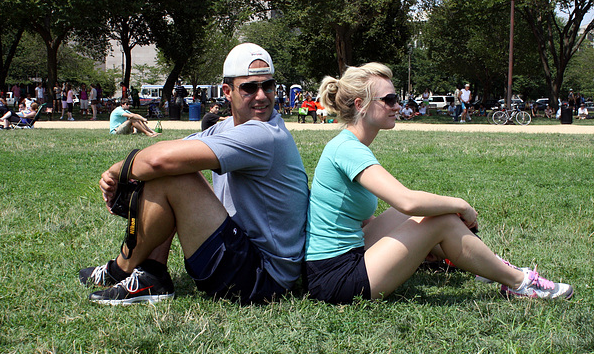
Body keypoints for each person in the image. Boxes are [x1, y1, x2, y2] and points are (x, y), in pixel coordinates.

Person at [304, 62, 573, 305]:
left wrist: (420, 245)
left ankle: (480, 264)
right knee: (439, 220)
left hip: (343, 257)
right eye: (389, 100)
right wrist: (462, 205)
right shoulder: (348, 149)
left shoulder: (347, 144)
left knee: (419, 215)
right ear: (361, 104)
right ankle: (519, 283)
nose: (397, 106)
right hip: (335, 278)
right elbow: (407, 201)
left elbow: (355, 217)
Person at [79, 43, 309, 305]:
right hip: (249, 256)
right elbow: (169, 151)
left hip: (264, 279)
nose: (262, 95)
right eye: (249, 87)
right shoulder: (228, 129)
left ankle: (120, 269)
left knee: (171, 172)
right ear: (228, 92)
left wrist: (115, 172)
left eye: (268, 86)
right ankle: (150, 274)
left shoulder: (263, 134)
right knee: (170, 167)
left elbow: (158, 161)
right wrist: (131, 172)